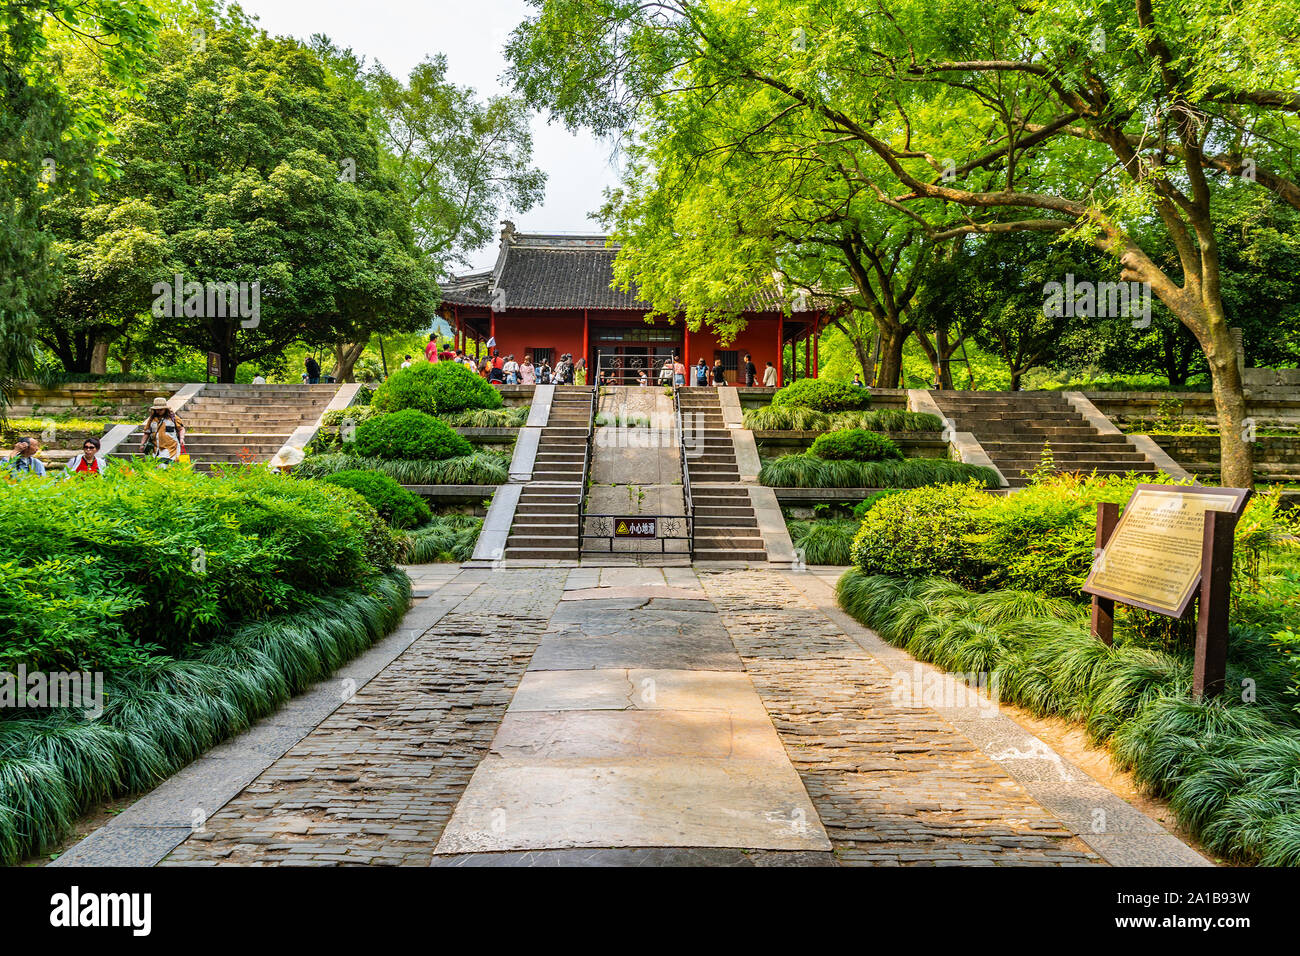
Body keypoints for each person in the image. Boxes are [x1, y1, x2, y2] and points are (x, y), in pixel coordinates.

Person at [140, 398, 186, 466]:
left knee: (165, 466)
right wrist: (142, 444)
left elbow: (181, 429)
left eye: (161, 409)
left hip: (170, 449)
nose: (159, 411)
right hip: (156, 449)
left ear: (165, 409)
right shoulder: (152, 419)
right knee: (158, 467)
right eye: (157, 410)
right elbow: (147, 432)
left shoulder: (173, 418)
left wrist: (182, 438)